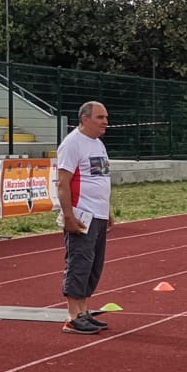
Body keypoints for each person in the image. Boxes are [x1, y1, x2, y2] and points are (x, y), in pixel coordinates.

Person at [54, 101, 114, 334]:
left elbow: (99, 179)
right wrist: (68, 215)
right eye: (100, 117)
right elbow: (62, 182)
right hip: (82, 214)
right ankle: (72, 316)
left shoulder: (98, 144)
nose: (105, 122)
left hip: (98, 213)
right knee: (79, 263)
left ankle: (84, 311)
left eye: (106, 117)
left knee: (94, 265)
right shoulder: (72, 144)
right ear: (84, 119)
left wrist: (106, 210)